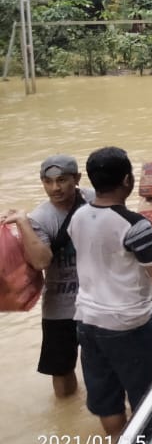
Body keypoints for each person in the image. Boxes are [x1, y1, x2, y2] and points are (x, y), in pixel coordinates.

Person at [68, 146, 152, 435]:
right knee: (149, 399)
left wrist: (149, 249)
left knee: (107, 401)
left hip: (88, 319)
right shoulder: (134, 224)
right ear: (128, 180)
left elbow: (105, 254)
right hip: (131, 324)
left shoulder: (78, 216)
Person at [2, 155, 93, 398]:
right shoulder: (39, 218)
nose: (55, 188)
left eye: (62, 180)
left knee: (106, 363)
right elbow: (41, 261)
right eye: (48, 181)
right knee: (61, 371)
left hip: (97, 301)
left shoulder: (94, 200)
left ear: (77, 179)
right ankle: (66, 418)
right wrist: (22, 222)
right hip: (60, 307)